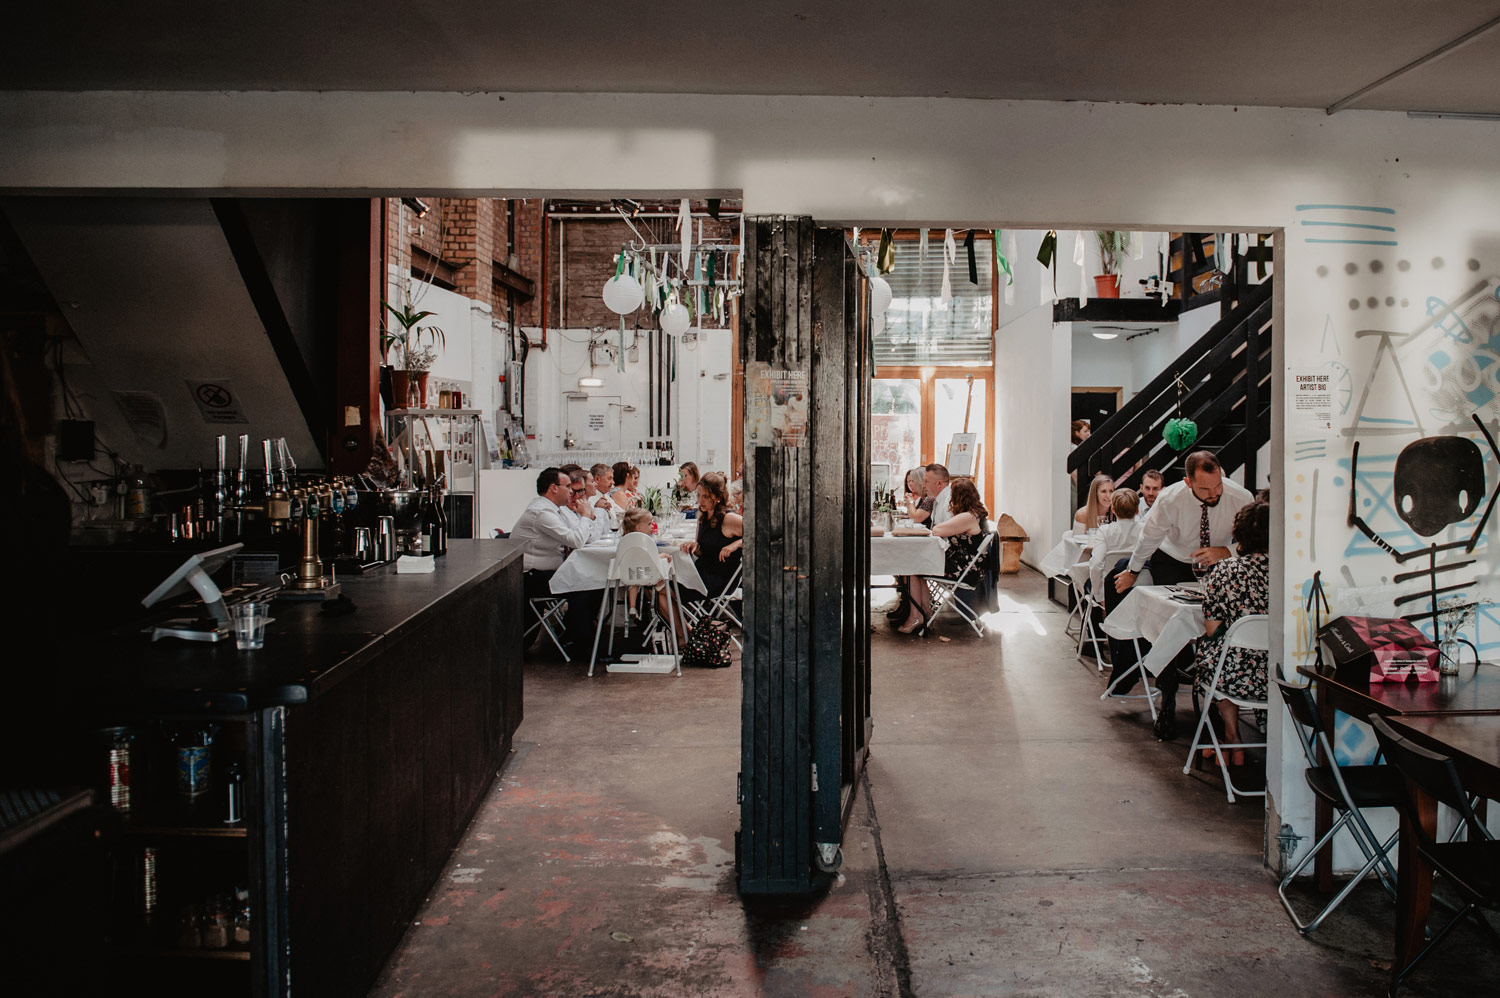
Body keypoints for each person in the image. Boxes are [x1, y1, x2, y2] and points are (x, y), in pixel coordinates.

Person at [1107, 450, 1256, 739]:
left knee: (1214, 630)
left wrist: (1226, 552)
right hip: (1174, 558)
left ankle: (1212, 702)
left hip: (1220, 561)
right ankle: (1168, 700)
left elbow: (1253, 540)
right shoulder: (1170, 499)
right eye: (1205, 489)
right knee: (1169, 628)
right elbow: (1149, 537)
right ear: (1188, 482)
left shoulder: (1241, 497)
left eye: (1218, 486)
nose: (1214, 494)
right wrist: (1134, 571)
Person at [1192, 499, 1271, 767]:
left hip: (1234, 677)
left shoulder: (1226, 571)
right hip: (1279, 677)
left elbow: (1212, 629)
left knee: (1217, 655)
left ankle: (1232, 735)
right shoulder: (1288, 573)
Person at [509, 467, 605, 656]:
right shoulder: (541, 513)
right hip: (530, 578)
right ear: (553, 488)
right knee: (585, 584)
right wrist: (586, 515)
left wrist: (587, 517)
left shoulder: (554, 511)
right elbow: (576, 540)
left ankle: (576, 636)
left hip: (543, 574)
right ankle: (580, 644)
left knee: (591, 581)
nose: (571, 492)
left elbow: (584, 537)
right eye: (568, 486)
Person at [897, 478, 989, 634]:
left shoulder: (967, 516)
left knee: (912, 568)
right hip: (966, 566)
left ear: (959, 496)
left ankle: (918, 615)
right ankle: (924, 612)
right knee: (916, 568)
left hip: (964, 571)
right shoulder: (974, 515)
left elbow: (937, 530)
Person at [679, 471, 743, 604]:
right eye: (698, 495)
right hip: (702, 573)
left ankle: (688, 625)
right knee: (660, 586)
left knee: (665, 589)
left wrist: (736, 544)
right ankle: (692, 625)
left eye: (706, 496)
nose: (700, 501)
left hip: (719, 580)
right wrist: (695, 547)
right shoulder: (703, 516)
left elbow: (759, 534)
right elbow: (705, 552)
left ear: (718, 497)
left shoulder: (729, 518)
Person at [1087, 488, 1143, 596]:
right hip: (1140, 582)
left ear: (1113, 509)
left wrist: (1100, 595)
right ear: (1137, 510)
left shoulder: (1105, 531)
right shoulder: (1145, 531)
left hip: (1111, 584)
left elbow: (1096, 564)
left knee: (1086, 582)